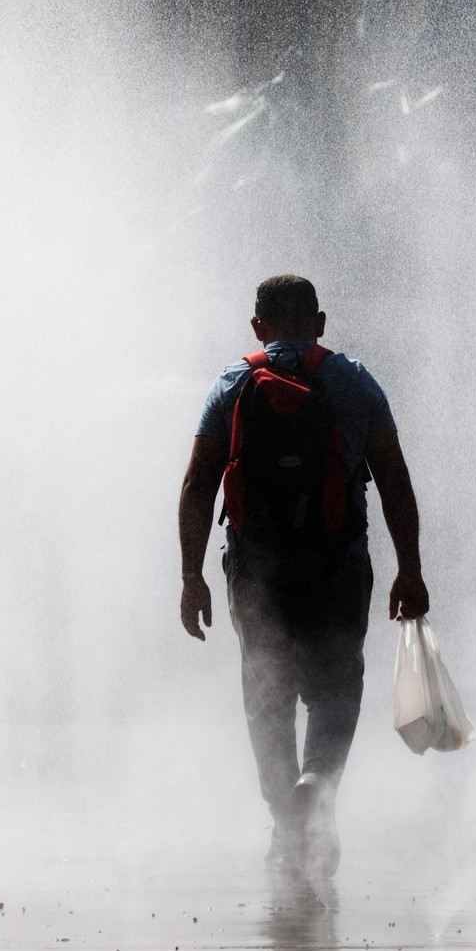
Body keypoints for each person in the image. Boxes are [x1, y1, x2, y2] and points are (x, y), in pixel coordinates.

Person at [178, 274, 428, 879]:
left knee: (267, 696)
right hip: (338, 564)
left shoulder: (232, 386)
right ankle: (315, 783)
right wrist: (410, 569)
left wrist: (192, 576)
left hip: (256, 570)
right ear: (319, 322)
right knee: (335, 686)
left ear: (257, 327)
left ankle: (286, 827)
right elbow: (393, 479)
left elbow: (197, 486)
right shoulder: (354, 381)